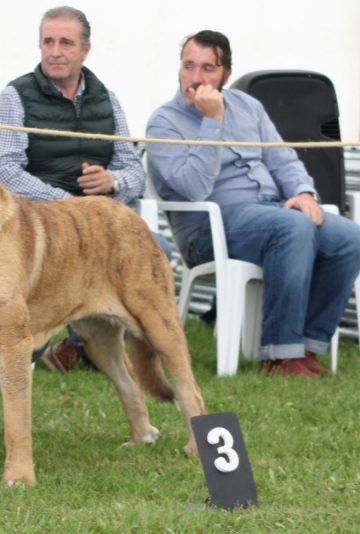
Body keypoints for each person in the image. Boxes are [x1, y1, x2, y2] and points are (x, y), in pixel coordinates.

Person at [146, 30, 360, 379]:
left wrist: (305, 193)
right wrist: (211, 122)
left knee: (349, 238)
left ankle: (305, 347)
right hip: (208, 230)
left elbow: (283, 160)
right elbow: (194, 189)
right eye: (188, 66)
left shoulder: (249, 107)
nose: (196, 78)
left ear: (226, 75)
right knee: (293, 226)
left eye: (207, 68)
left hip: (271, 212)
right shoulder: (164, 122)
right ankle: (279, 356)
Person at [0, 6, 171, 372]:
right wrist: (70, 206)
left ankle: (130, 344)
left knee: (159, 249)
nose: (55, 51)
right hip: (35, 228)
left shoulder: (107, 98)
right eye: (48, 41)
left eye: (66, 43)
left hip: (100, 225)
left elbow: (134, 168)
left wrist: (113, 181)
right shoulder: (14, 96)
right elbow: (3, 171)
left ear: (85, 50)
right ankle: (79, 343)